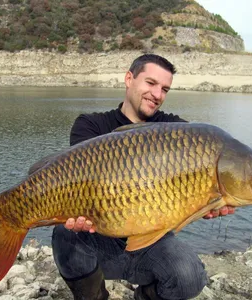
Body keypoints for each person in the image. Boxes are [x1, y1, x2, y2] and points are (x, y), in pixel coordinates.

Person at [52, 54, 235, 300]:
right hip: (101, 239)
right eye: (150, 83)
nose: (157, 94)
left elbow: (193, 185)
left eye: (165, 89)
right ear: (129, 79)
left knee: (190, 276)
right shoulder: (90, 126)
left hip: (153, 241)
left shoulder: (177, 131)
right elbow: (79, 184)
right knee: (65, 233)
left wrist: (206, 202)